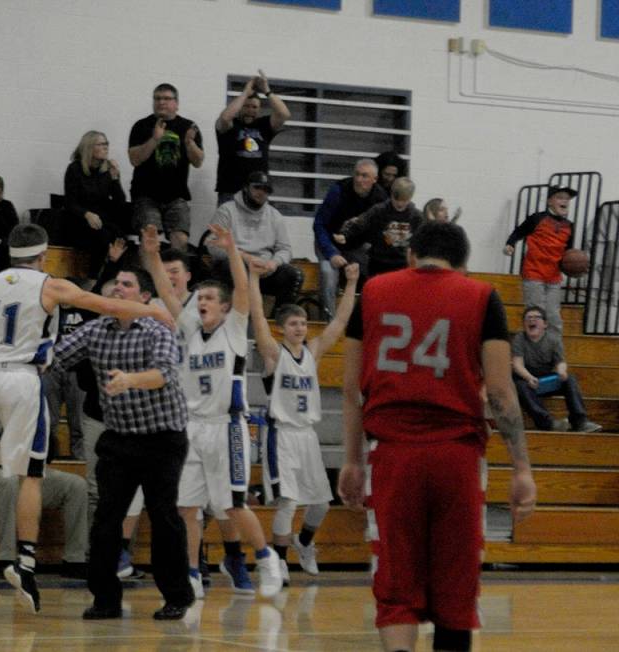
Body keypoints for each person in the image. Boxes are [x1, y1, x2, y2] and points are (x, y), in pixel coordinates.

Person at [0, 224, 173, 615]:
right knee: (31, 475)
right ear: (43, 256)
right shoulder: (51, 285)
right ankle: (25, 561)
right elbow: (107, 305)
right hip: (21, 377)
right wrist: (153, 310)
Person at [338, 222, 536, 652]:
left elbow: (352, 389)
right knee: (456, 587)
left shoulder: (372, 292)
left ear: (412, 256)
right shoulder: (481, 296)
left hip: (392, 454)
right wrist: (521, 467)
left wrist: (352, 460)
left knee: (396, 585)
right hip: (456, 456)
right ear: (463, 265)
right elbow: (501, 394)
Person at [142, 224, 282, 600]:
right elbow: (165, 290)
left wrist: (232, 250)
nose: (201, 301)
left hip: (227, 427)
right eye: (199, 297)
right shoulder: (189, 326)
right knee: (187, 508)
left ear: (224, 307)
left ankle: (266, 558)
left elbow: (241, 288)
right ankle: (190, 574)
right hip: (191, 428)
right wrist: (152, 254)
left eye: (208, 298)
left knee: (232, 505)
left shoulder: (234, 329)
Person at [55, 266, 193, 621]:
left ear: (144, 297)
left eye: (127, 285)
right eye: (116, 283)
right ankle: (105, 599)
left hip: (162, 438)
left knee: (163, 515)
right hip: (119, 437)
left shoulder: (157, 328)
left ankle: (177, 596)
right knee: (106, 517)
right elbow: (56, 357)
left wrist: (130, 380)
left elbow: (163, 373)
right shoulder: (95, 329)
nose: (118, 288)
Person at [251, 254, 359, 586]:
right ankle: (280, 563)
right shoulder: (274, 353)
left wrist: (352, 283)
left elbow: (340, 322)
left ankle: (304, 542)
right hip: (281, 434)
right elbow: (257, 317)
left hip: (307, 435)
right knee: (287, 502)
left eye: (302, 323)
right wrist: (253, 280)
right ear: (282, 328)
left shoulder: (313, 351)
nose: (300, 327)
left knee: (322, 503)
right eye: (293, 324)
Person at [0, 461, 88, 580]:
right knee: (9, 482)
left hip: (28, 469)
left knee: (76, 484)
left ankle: (74, 560)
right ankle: (6, 560)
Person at [210, 171, 302, 311]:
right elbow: (213, 245)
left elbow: (285, 249)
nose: (261, 192)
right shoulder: (226, 210)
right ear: (246, 187)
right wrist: (244, 257)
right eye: (257, 187)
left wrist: (273, 263)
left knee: (294, 275)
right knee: (231, 266)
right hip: (236, 265)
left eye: (266, 189)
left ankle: (280, 319)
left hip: (264, 270)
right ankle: (236, 316)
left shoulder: (274, 215)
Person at [128, 83, 204, 252]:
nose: (161, 102)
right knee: (150, 239)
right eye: (157, 98)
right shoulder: (141, 126)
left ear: (176, 103)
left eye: (167, 99)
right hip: (146, 194)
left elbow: (198, 162)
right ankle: (149, 269)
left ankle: (175, 269)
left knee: (181, 240)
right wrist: (154, 139)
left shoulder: (188, 126)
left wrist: (189, 143)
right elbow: (135, 159)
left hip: (176, 195)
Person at [312, 159, 386, 319]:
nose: (359, 180)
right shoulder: (338, 191)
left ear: (374, 179)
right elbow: (319, 224)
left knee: (379, 273)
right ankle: (328, 322)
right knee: (327, 273)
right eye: (357, 175)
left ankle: (372, 319)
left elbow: (380, 232)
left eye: (364, 176)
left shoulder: (381, 198)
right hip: (329, 242)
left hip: (357, 246)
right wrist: (331, 253)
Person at [511, 305, 602, 433]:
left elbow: (560, 362)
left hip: (546, 378)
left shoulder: (553, 339)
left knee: (570, 379)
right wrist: (529, 378)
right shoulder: (519, 339)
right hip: (526, 379)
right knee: (519, 386)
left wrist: (561, 371)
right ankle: (548, 423)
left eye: (536, 317)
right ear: (524, 324)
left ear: (545, 324)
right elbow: (517, 364)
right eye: (528, 318)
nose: (532, 320)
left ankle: (580, 421)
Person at [503, 186, 578, 334]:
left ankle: (554, 348)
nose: (564, 201)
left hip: (554, 277)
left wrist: (575, 268)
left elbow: (568, 253)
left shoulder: (569, 226)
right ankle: (532, 346)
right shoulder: (537, 218)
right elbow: (519, 231)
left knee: (554, 317)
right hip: (534, 273)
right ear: (549, 201)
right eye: (560, 197)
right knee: (536, 314)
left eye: (567, 199)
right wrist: (510, 244)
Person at [215, 71, 291, 205]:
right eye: (246, 106)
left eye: (254, 107)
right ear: (240, 107)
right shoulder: (230, 125)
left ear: (259, 109)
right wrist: (245, 93)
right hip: (230, 192)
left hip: (258, 192)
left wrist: (267, 90)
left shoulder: (263, 125)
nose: (250, 110)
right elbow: (225, 118)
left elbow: (284, 114)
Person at [63, 131, 129, 274]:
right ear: (89, 147)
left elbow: (120, 203)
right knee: (102, 238)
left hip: (102, 220)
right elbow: (70, 202)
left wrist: (115, 178)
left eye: (107, 144)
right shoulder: (75, 169)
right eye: (101, 144)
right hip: (80, 219)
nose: (106, 147)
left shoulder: (106, 171)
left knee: (121, 239)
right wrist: (87, 214)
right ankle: (93, 278)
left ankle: (112, 276)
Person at [337, 177, 422, 281]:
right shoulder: (379, 210)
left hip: (402, 263)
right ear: (391, 194)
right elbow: (361, 222)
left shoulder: (416, 216)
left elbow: (425, 235)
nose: (399, 204)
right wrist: (345, 234)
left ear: (410, 198)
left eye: (404, 201)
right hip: (379, 262)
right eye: (396, 200)